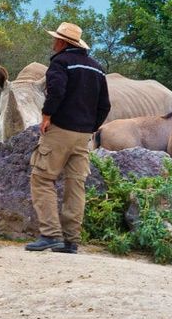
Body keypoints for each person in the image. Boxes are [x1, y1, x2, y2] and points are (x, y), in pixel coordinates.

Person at [24, 22, 111, 254]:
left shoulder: (60, 63)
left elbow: (57, 91)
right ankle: (71, 241)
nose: (53, 44)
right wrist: (90, 127)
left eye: (55, 40)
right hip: (84, 136)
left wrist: (46, 116)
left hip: (60, 131)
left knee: (42, 179)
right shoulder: (97, 68)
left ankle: (51, 235)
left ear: (62, 43)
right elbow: (105, 105)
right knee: (76, 185)